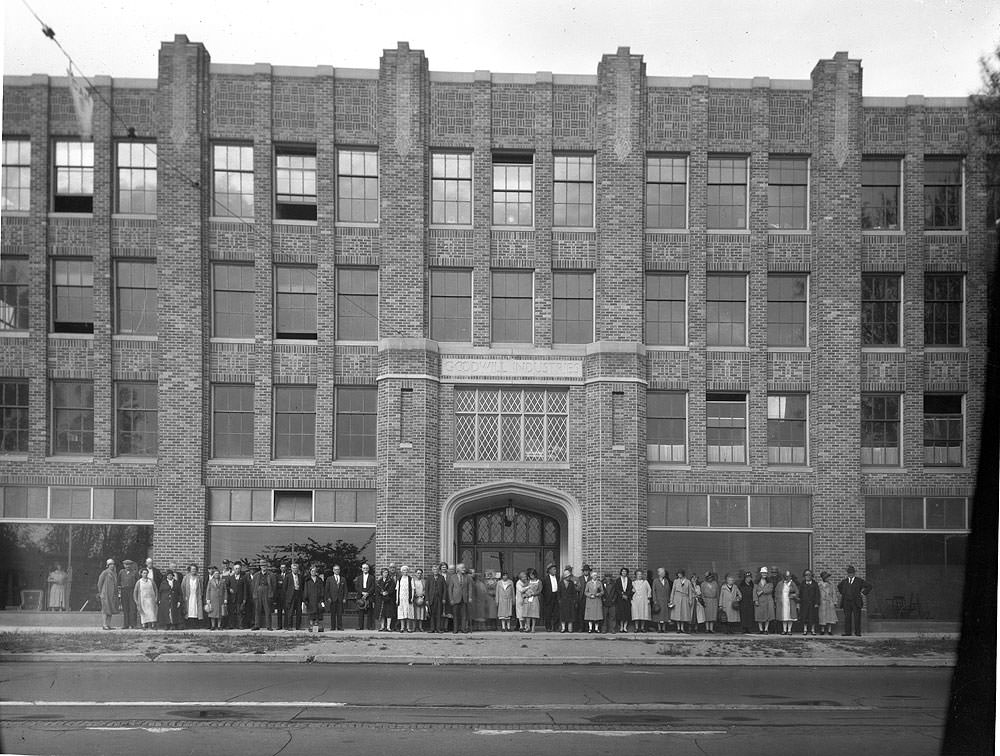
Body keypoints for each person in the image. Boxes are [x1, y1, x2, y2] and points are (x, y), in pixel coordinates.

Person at [837, 565, 872, 637]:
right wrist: (844, 594)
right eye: (849, 573)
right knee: (847, 617)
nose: (850, 574)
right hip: (846, 602)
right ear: (847, 574)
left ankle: (857, 632)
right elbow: (839, 587)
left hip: (856, 602)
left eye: (851, 573)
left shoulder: (859, 581)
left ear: (854, 573)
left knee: (857, 617)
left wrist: (863, 593)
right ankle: (848, 632)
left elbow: (869, 586)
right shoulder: (844, 581)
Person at [447, 562, 472, 633]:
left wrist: (470, 597)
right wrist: (451, 599)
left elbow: (470, 588)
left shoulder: (467, 577)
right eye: (462, 568)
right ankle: (455, 629)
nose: (464, 569)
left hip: (464, 598)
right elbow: (450, 589)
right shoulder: (453, 577)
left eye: (464, 568)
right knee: (455, 615)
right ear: (458, 569)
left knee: (464, 615)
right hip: (455, 599)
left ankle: (463, 629)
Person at [251, 560, 275, 631]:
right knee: (257, 609)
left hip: (267, 590)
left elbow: (274, 585)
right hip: (258, 590)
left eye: (265, 566)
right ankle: (257, 625)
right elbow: (253, 585)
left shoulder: (271, 574)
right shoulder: (256, 575)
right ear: (260, 567)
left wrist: (271, 593)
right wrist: (255, 593)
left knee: (267, 609)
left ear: (267, 567)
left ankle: (269, 626)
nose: (264, 567)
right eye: (262, 566)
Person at [97, 558, 119, 630]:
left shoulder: (115, 573)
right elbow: (100, 583)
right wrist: (101, 593)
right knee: (105, 609)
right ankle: (104, 624)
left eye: (113, 564)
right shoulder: (105, 572)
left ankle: (108, 624)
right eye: (110, 564)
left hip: (112, 594)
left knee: (111, 609)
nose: (112, 566)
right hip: (105, 594)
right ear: (107, 565)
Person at [669, 569, 693, 633]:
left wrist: (690, 600)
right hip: (677, 598)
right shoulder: (676, 581)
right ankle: (678, 628)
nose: (679, 575)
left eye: (680, 574)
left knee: (683, 613)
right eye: (678, 574)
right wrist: (671, 600)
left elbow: (690, 592)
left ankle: (682, 628)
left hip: (685, 598)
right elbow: (673, 591)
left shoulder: (688, 582)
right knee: (677, 613)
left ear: (683, 574)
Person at [775, 570, 799, 635]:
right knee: (784, 616)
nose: (787, 578)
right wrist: (777, 600)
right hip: (783, 602)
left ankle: (789, 630)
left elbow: (797, 592)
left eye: (788, 576)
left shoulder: (793, 583)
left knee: (790, 617)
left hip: (790, 602)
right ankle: (784, 630)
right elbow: (776, 592)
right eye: (786, 576)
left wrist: (794, 595)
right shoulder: (780, 583)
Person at [229, 562, 252, 629]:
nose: (237, 570)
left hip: (240, 598)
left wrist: (244, 599)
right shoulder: (230, 577)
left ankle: (240, 625)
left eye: (239, 569)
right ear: (234, 569)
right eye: (236, 569)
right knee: (232, 612)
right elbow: (226, 586)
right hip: (232, 598)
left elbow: (245, 589)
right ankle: (231, 625)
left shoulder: (243, 578)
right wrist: (229, 589)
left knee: (240, 612)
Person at [610, 567, 633, 633]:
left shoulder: (629, 580)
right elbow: (617, 589)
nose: (624, 573)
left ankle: (625, 627)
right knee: (620, 613)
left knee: (626, 613)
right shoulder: (618, 580)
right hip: (620, 599)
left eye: (625, 572)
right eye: (623, 571)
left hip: (627, 599)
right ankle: (621, 627)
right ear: (621, 572)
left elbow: (630, 589)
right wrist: (622, 594)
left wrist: (627, 595)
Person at [753, 567, 775, 634]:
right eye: (763, 573)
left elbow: (770, 589)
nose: (764, 574)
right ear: (760, 573)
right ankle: (760, 629)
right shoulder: (756, 582)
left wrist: (762, 591)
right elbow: (754, 591)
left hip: (768, 600)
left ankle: (766, 629)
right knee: (759, 615)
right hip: (760, 600)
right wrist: (755, 600)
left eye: (765, 573)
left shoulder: (769, 582)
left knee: (767, 616)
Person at [798, 569, 820, 636]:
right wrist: (799, 602)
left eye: (809, 575)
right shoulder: (802, 584)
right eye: (806, 575)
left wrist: (817, 603)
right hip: (804, 603)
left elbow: (817, 594)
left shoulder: (815, 584)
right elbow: (800, 594)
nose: (807, 576)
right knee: (805, 617)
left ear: (811, 576)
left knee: (813, 617)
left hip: (812, 603)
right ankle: (805, 630)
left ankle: (812, 630)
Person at [426, 562, 447, 633]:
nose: (435, 571)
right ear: (432, 570)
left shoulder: (442, 577)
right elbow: (426, 590)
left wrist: (444, 598)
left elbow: (444, 589)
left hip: (439, 598)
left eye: (437, 569)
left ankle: (438, 628)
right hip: (431, 598)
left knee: (439, 614)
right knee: (432, 614)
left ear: (439, 570)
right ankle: (432, 628)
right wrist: (427, 599)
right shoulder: (429, 578)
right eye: (434, 569)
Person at [325, 564, 347, 631]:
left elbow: (345, 589)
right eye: (335, 569)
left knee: (339, 613)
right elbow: (327, 589)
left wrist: (345, 598)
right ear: (333, 570)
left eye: (338, 569)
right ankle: (333, 627)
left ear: (339, 570)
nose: (337, 571)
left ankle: (340, 626)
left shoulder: (343, 579)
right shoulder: (329, 579)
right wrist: (328, 597)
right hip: (332, 599)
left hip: (340, 599)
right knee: (333, 614)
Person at [117, 560, 138, 628]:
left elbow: (137, 582)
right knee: (125, 608)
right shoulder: (121, 572)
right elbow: (119, 582)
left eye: (129, 564)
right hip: (124, 591)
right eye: (126, 564)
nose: (127, 566)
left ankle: (133, 624)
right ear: (124, 565)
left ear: (131, 565)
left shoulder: (134, 572)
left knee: (132, 608)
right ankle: (126, 624)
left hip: (132, 590)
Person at [354, 562, 375, 630]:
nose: (365, 569)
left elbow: (373, 586)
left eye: (366, 568)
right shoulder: (359, 578)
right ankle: (360, 626)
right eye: (364, 568)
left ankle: (369, 626)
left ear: (368, 569)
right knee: (361, 612)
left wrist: (367, 593)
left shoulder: (372, 577)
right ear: (362, 569)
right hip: (361, 595)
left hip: (369, 595)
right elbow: (356, 587)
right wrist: (362, 593)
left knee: (370, 611)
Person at [283, 562, 304, 631]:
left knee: (299, 611)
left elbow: (302, 586)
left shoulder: (300, 576)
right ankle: (289, 626)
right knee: (290, 612)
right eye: (294, 568)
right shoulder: (288, 576)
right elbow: (284, 588)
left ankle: (298, 626)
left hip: (298, 595)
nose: (295, 570)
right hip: (290, 596)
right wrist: (287, 597)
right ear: (291, 569)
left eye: (296, 569)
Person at [304, 565, 325, 630]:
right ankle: (311, 626)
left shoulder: (319, 580)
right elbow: (305, 590)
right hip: (310, 600)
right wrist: (305, 599)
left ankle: (316, 626)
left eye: (315, 571)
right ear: (310, 571)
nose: (313, 572)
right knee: (311, 614)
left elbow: (322, 589)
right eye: (312, 571)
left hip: (318, 599)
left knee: (317, 613)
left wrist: (322, 598)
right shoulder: (307, 580)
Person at [205, 565, 226, 630]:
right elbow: (208, 590)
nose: (217, 575)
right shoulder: (210, 581)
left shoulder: (222, 581)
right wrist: (208, 599)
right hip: (212, 599)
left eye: (218, 574)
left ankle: (219, 626)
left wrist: (225, 599)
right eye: (215, 574)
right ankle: (213, 626)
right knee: (212, 613)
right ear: (213, 575)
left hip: (220, 599)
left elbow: (225, 590)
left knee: (220, 614)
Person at [557, 567, 578, 633]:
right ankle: (563, 628)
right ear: (565, 577)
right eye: (568, 576)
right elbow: (558, 593)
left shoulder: (571, 583)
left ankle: (570, 628)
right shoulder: (560, 583)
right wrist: (559, 600)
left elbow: (574, 592)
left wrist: (574, 600)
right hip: (563, 601)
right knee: (563, 615)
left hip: (570, 601)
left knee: (570, 615)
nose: (569, 577)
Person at [818, 570, 838, 635]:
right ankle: (822, 629)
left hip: (829, 601)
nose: (828, 579)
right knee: (823, 616)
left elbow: (834, 593)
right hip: (822, 602)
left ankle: (829, 630)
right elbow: (817, 594)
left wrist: (834, 601)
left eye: (828, 577)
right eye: (826, 577)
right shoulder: (819, 585)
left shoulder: (831, 584)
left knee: (830, 616)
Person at [583, 569, 604, 633]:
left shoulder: (599, 583)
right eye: (594, 576)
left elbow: (602, 591)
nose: (595, 577)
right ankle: (590, 628)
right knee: (590, 615)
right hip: (590, 601)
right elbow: (585, 592)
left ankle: (596, 628)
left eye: (596, 576)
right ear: (592, 576)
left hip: (597, 600)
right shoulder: (588, 583)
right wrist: (590, 595)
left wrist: (599, 594)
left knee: (597, 615)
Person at [541, 563, 560, 632]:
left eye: (555, 569)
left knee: (556, 612)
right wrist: (546, 596)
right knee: (548, 613)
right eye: (553, 569)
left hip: (556, 596)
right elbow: (543, 590)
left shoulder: (558, 577)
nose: (555, 571)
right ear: (549, 570)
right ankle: (548, 627)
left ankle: (556, 627)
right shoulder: (545, 579)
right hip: (549, 597)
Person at [521, 568, 541, 632]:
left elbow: (539, 591)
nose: (531, 575)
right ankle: (528, 627)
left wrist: (533, 594)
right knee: (527, 613)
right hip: (528, 598)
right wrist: (526, 594)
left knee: (534, 613)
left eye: (533, 574)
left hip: (534, 598)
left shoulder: (539, 582)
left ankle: (533, 627)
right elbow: (523, 589)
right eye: (530, 574)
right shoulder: (528, 581)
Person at [376, 567, 396, 632]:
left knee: (389, 613)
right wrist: (382, 592)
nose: (385, 574)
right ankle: (382, 626)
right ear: (382, 573)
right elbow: (377, 589)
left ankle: (388, 627)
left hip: (389, 599)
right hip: (381, 599)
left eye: (387, 572)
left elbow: (392, 589)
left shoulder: (391, 581)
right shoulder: (379, 581)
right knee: (382, 613)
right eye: (384, 572)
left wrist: (387, 593)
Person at [396, 565, 415, 633]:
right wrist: (397, 599)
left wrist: (412, 598)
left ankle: (408, 627)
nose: (405, 572)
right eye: (403, 570)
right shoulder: (399, 579)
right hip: (401, 598)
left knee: (408, 613)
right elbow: (397, 589)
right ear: (401, 571)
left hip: (408, 598)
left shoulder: (410, 578)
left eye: (406, 570)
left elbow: (412, 589)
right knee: (401, 613)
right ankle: (402, 627)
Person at [651, 568, 671, 632]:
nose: (663, 574)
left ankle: (664, 628)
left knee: (665, 614)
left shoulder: (666, 581)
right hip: (658, 599)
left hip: (665, 600)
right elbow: (653, 591)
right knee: (658, 614)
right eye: (661, 573)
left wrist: (669, 600)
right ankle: (659, 628)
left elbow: (668, 591)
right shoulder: (655, 581)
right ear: (659, 573)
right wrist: (654, 600)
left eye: (664, 573)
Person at [575, 565, 593, 633]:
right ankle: (581, 627)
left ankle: (588, 627)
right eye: (585, 571)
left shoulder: (591, 578)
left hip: (589, 598)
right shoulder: (579, 578)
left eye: (587, 571)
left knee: (589, 613)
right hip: (581, 598)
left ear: (589, 571)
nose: (586, 572)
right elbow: (577, 588)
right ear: (583, 572)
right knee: (581, 613)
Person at [275, 562, 289, 630]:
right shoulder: (277, 576)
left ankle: (286, 625)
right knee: (279, 611)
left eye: (284, 567)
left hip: (286, 596)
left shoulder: (288, 575)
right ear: (280, 568)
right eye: (282, 567)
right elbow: (276, 586)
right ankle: (279, 625)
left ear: (286, 568)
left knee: (287, 611)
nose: (283, 568)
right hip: (279, 596)